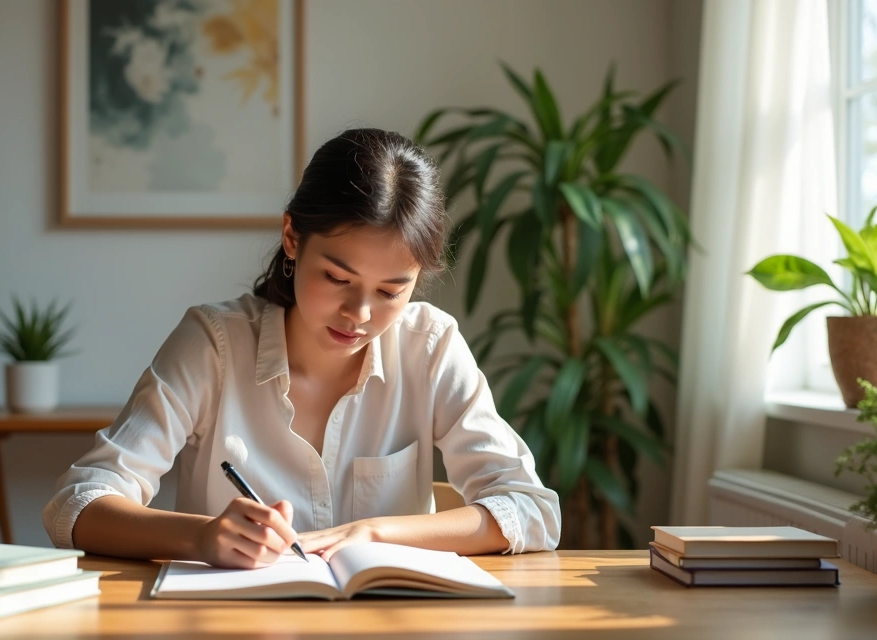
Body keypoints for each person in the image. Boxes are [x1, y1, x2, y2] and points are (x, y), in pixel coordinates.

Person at [42, 128, 561, 569]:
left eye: (390, 291)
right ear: (292, 237)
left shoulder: (430, 346)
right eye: (337, 277)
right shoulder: (213, 345)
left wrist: (377, 534)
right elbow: (76, 504)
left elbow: (531, 509)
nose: (358, 315)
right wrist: (199, 537)